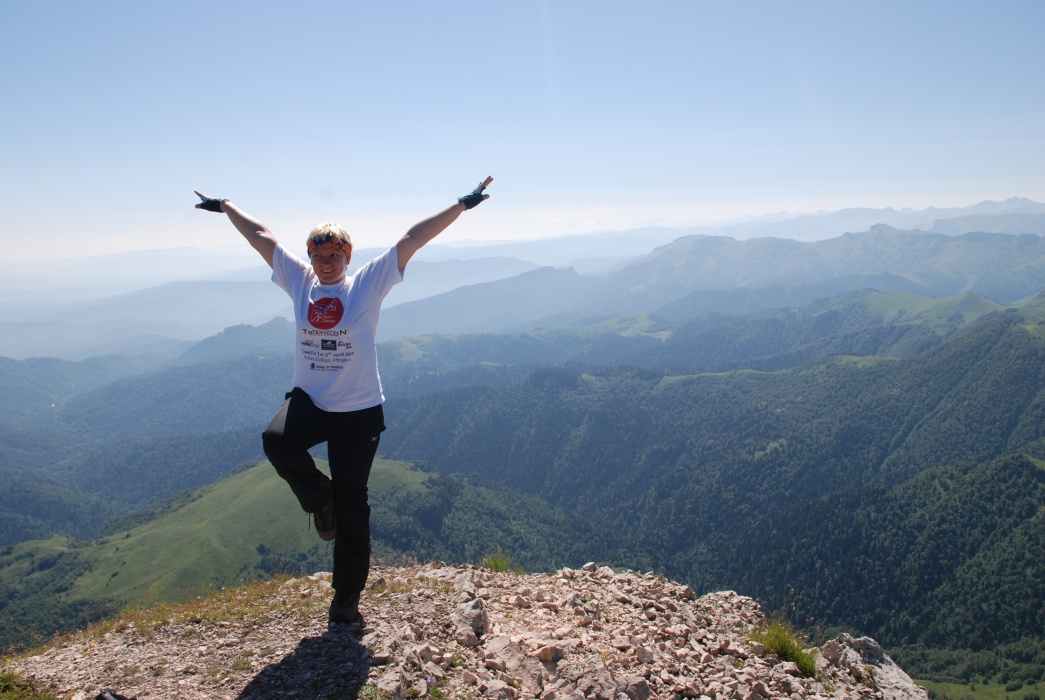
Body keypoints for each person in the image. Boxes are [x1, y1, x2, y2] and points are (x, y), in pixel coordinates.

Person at [194, 177, 492, 624]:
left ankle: (346, 598)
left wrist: (461, 205)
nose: (326, 262)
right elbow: (262, 237)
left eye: (335, 255)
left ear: (348, 256)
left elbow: (413, 238)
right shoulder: (300, 281)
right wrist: (227, 206)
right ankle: (321, 500)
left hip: (358, 410)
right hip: (310, 401)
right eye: (318, 255)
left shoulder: (367, 284)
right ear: (310, 258)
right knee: (277, 441)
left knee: (355, 503)